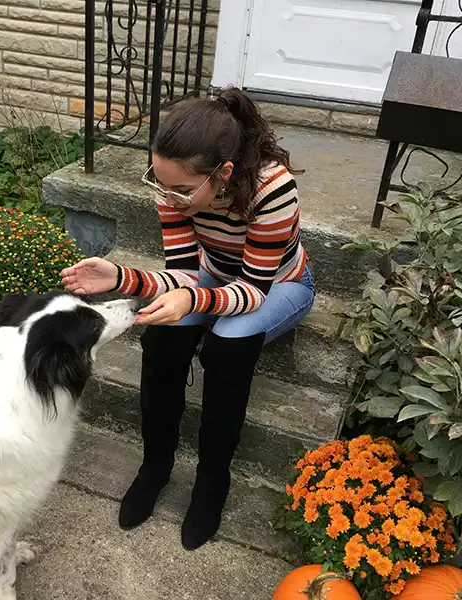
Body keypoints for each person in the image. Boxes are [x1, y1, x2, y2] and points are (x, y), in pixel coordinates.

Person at [60, 87, 315, 550]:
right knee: (164, 332)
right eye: (160, 184)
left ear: (224, 173)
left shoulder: (272, 189)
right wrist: (119, 275)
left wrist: (193, 300)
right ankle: (155, 465)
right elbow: (180, 273)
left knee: (227, 341)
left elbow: (253, 291)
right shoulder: (171, 182)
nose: (168, 197)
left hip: (279, 285)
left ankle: (211, 483)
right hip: (215, 274)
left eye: (179, 190)